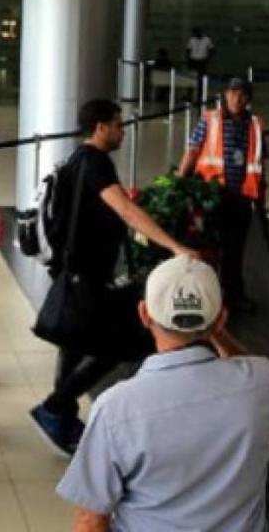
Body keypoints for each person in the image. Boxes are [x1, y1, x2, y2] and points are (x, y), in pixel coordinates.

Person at [57, 256, 269, 531]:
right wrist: (215, 329)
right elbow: (245, 368)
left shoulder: (117, 408)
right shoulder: (263, 383)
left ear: (144, 314)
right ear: (222, 318)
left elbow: (90, 521)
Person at [29, 99, 199, 456]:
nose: (122, 131)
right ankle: (55, 407)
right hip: (88, 275)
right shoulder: (95, 162)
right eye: (118, 125)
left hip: (74, 270)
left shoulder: (77, 158)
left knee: (75, 343)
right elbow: (125, 208)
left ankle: (61, 413)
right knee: (118, 346)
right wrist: (175, 247)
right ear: (100, 127)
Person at [178, 77, 266, 314]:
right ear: (225, 95)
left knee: (235, 249)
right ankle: (203, 295)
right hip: (210, 196)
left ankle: (233, 294)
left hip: (241, 196)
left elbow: (259, 161)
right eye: (232, 93)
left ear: (248, 99)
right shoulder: (210, 119)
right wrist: (179, 181)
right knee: (208, 247)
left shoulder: (255, 124)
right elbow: (193, 150)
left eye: (242, 94)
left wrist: (261, 197)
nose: (236, 99)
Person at [185, 27, 215, 97]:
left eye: (197, 33)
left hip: (202, 62)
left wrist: (207, 58)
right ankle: (189, 95)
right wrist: (189, 59)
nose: (196, 34)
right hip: (193, 61)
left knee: (201, 80)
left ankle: (200, 95)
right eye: (195, 33)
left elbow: (212, 50)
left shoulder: (207, 39)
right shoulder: (192, 40)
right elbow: (188, 50)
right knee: (190, 79)